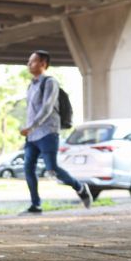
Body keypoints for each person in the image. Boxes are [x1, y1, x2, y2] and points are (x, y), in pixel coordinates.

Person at [21, 50, 91, 214]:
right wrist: (29, 129)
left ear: (43, 64)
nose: (29, 64)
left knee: (52, 169)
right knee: (28, 168)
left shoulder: (50, 82)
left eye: (32, 61)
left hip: (48, 132)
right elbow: (31, 111)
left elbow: (47, 108)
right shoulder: (31, 85)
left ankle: (80, 188)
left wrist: (31, 127)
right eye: (29, 61)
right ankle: (35, 204)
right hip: (32, 136)